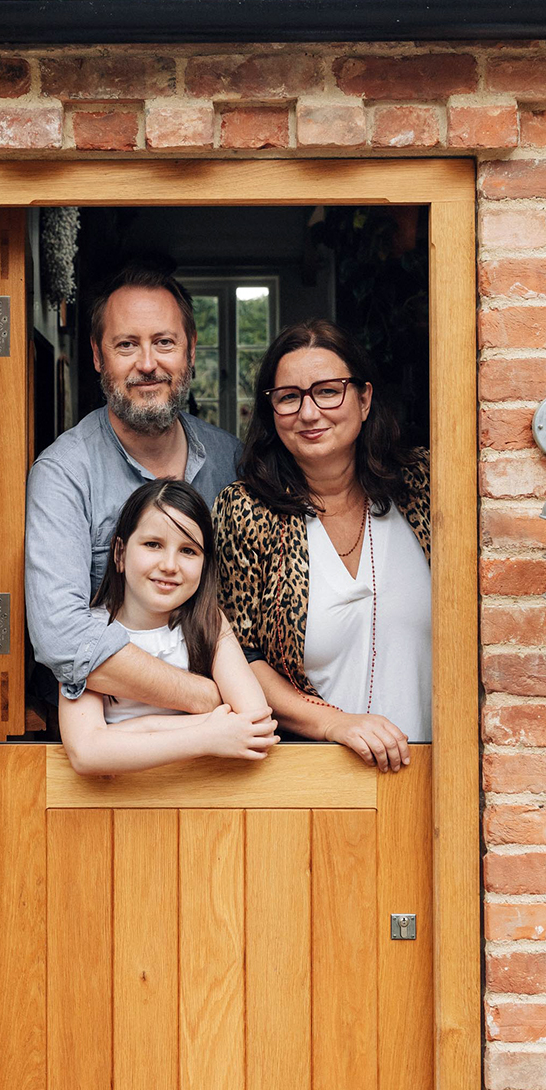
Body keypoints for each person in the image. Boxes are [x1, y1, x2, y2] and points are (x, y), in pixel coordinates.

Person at [212, 319, 431, 773]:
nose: (309, 414)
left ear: (364, 398)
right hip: (314, 779)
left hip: (438, 773)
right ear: (271, 412)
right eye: (289, 397)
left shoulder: (424, 486)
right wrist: (337, 725)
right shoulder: (247, 510)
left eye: (328, 391)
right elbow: (235, 655)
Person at [26, 264, 242, 714]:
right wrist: (207, 697)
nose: (148, 364)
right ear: (98, 356)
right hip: (113, 737)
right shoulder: (65, 472)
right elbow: (61, 636)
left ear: (191, 351)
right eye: (127, 345)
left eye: (164, 342)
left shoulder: (233, 461)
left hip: (233, 745)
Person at [59, 479, 277, 774]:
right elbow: (86, 753)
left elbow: (256, 725)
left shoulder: (208, 622)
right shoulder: (89, 632)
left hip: (199, 799)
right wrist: (208, 735)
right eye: (153, 545)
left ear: (205, 563)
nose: (170, 565)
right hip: (114, 806)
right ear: (120, 553)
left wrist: (127, 732)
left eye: (188, 551)